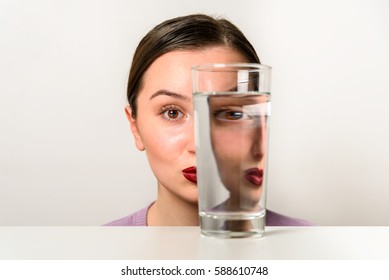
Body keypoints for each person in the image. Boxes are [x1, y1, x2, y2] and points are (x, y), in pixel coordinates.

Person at [106, 14, 312, 226]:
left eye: (231, 113)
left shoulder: (312, 250)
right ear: (135, 127)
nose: (201, 144)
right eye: (172, 113)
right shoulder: (95, 254)